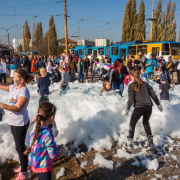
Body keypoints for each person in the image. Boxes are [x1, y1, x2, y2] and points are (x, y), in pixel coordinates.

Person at [0, 69, 33, 179]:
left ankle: (24, 173)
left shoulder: (24, 91)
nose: (12, 79)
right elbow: (2, 85)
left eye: (14, 78)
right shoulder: (14, 87)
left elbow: (18, 108)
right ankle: (25, 166)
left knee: (20, 147)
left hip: (20, 123)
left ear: (22, 80)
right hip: (13, 122)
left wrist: (1, 105)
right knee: (20, 146)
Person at [122, 70, 163, 150]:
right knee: (146, 123)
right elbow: (153, 95)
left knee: (132, 123)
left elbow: (131, 99)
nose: (130, 78)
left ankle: (129, 142)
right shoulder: (146, 84)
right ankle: (150, 143)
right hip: (148, 107)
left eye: (131, 76)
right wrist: (158, 104)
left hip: (139, 107)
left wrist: (126, 109)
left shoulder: (131, 86)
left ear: (133, 77)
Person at [24, 102, 65, 180]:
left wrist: (55, 146)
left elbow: (39, 146)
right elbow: (53, 156)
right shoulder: (48, 133)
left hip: (34, 165)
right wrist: (61, 152)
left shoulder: (34, 131)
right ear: (52, 117)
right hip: (44, 168)